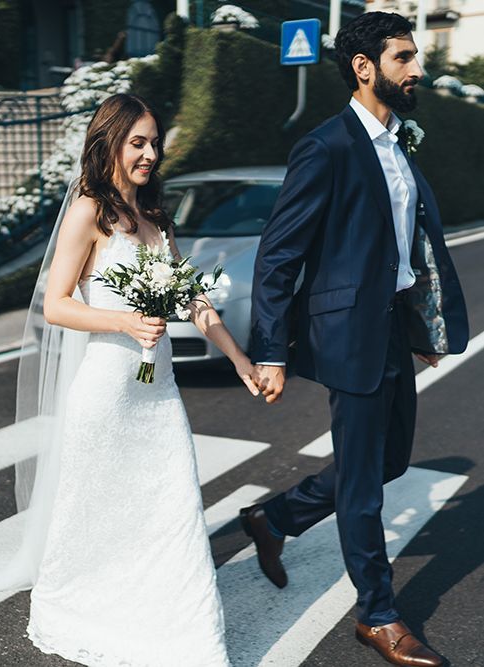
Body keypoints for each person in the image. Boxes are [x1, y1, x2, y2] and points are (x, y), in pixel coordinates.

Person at [240, 11, 468, 667]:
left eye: (414, 56)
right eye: (403, 57)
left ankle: (275, 518)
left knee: (389, 462)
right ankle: (378, 614)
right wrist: (269, 348)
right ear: (363, 67)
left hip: (392, 327)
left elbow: (409, 249)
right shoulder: (327, 146)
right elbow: (278, 255)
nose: (417, 69)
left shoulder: (398, 142)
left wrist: (422, 325)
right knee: (364, 486)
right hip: (346, 334)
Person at [13, 93, 258, 667]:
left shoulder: (156, 221)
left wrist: (240, 359)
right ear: (111, 144)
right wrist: (122, 319)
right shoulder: (88, 212)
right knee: (101, 509)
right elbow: (55, 305)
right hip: (106, 386)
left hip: (158, 390)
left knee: (171, 504)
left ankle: (184, 633)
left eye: (155, 143)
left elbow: (193, 300)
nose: (150, 153)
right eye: (138, 142)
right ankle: (97, 607)